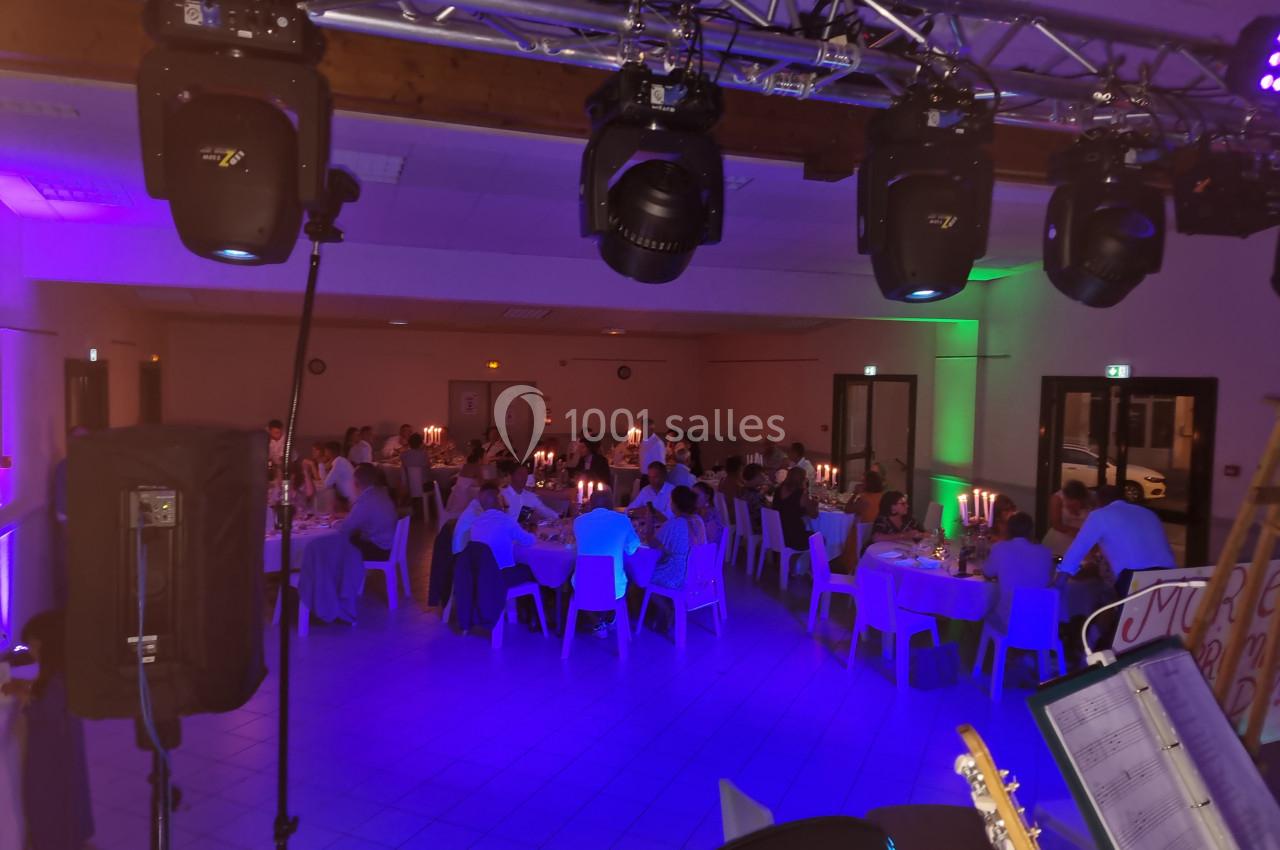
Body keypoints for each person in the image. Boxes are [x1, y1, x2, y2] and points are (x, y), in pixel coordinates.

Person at [1, 610, 94, 850]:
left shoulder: (56, 683)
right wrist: (26, 689)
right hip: (59, 759)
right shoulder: (62, 675)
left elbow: (44, 713)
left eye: (33, 645)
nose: (31, 651)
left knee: (48, 807)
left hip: (50, 761)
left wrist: (25, 698)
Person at [1056, 485, 1176, 596]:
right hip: (1170, 576)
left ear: (1099, 501)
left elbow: (1077, 551)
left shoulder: (1100, 516)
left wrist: (1058, 583)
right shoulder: (1148, 513)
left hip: (1134, 579)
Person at [983, 512, 1056, 631]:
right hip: (1040, 619)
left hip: (1008, 619)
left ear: (1008, 530)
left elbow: (988, 572)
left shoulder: (1000, 548)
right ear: (1031, 531)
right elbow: (1049, 580)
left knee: (986, 605)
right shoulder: (1045, 552)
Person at [574, 488, 642, 601]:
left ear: (590, 504)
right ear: (612, 504)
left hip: (583, 587)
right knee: (630, 571)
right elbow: (632, 549)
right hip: (614, 590)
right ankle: (623, 607)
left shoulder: (579, 521)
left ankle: (586, 611)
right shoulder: (623, 520)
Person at [462, 484, 536, 585]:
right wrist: (533, 531)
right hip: (504, 577)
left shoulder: (475, 523)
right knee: (533, 569)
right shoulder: (507, 520)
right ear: (499, 500)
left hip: (483, 577)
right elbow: (529, 541)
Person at [651, 486, 707, 589]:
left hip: (679, 577)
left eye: (671, 500)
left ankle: (663, 603)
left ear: (675, 504)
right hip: (698, 572)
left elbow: (653, 544)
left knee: (643, 571)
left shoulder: (675, 523)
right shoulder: (698, 520)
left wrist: (649, 523)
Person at [343, 464, 399, 560]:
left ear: (356, 483)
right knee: (354, 538)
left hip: (381, 549)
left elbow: (345, 528)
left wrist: (332, 524)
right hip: (389, 544)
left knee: (340, 544)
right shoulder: (381, 492)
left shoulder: (365, 500)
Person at [1043, 479, 1094, 557]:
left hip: (1081, 539)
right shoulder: (1057, 498)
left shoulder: (1090, 499)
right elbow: (1056, 523)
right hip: (1060, 538)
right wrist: (1075, 531)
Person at [772, 466, 818, 550]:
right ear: (802, 479)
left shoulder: (778, 490)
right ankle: (814, 559)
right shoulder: (801, 495)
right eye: (805, 477)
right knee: (820, 539)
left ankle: (799, 558)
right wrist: (815, 504)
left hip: (777, 534)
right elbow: (814, 515)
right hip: (793, 538)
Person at [322, 441, 357, 505]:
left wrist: (321, 465)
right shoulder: (342, 460)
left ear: (329, 452)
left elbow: (326, 483)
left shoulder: (339, 462)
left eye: (325, 451)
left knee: (328, 498)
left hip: (350, 500)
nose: (324, 453)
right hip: (349, 497)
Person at [693, 481, 725, 546]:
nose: (692, 498)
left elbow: (711, 541)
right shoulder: (696, 511)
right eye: (691, 495)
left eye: (696, 496)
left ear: (707, 497)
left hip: (707, 549)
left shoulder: (712, 516)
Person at [399, 432, 432, 496]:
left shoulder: (403, 455)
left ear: (409, 443)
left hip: (409, 485)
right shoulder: (424, 454)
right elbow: (429, 468)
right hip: (423, 486)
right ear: (421, 443)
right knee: (437, 481)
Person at [740, 462, 769, 534]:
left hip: (747, 524)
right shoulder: (754, 495)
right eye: (761, 474)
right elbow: (764, 512)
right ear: (754, 476)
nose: (764, 477)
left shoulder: (743, 490)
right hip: (758, 527)